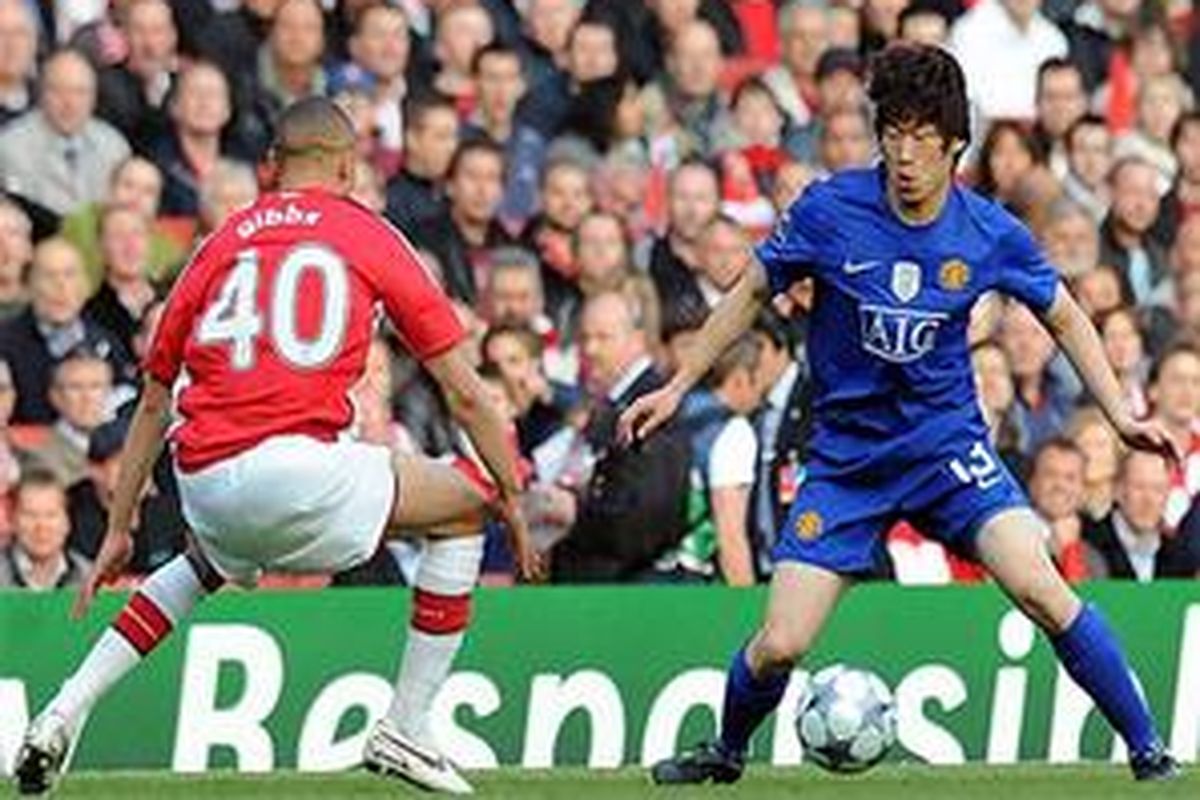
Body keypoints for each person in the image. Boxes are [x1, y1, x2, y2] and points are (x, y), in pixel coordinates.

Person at [621, 44, 1181, 784]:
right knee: (781, 643)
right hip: (847, 462)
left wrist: (1118, 413)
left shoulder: (988, 232)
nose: (906, 153)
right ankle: (725, 752)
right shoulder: (830, 209)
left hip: (945, 448)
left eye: (924, 137)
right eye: (894, 133)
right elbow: (753, 290)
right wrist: (678, 381)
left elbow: (1068, 317)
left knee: (1044, 589)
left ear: (955, 144)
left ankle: (1149, 754)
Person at [14, 97, 538, 797]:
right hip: (292, 468)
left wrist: (117, 529)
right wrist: (511, 497)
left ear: (271, 169)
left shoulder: (219, 242)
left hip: (203, 480)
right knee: (464, 510)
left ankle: (61, 711)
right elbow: (466, 392)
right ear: (349, 167)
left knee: (201, 565)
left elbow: (152, 398)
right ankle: (407, 726)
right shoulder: (367, 233)